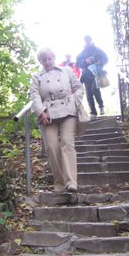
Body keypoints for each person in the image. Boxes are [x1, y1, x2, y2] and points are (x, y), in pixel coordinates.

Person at [31, 48, 83, 192]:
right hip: (47, 115)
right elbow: (34, 95)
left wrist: (73, 100)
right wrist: (40, 111)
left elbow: (79, 88)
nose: (47, 62)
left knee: (67, 144)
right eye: (44, 60)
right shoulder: (37, 77)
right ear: (40, 61)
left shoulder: (66, 71)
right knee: (52, 147)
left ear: (54, 58)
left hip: (68, 111)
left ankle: (71, 182)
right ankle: (60, 183)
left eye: (49, 59)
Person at [76, 35, 108, 118]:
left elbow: (105, 59)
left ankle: (101, 106)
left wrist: (99, 62)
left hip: (96, 74)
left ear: (91, 40)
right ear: (84, 41)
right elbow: (78, 63)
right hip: (86, 75)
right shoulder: (82, 53)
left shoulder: (98, 50)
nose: (87, 41)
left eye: (88, 40)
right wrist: (85, 61)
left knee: (95, 89)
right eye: (86, 40)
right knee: (89, 94)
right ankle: (93, 112)